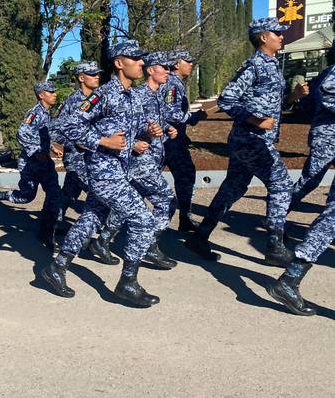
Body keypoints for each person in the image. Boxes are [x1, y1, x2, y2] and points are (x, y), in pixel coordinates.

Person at [41, 40, 164, 308]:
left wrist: (148, 131)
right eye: (135, 58)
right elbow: (65, 126)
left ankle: (56, 267)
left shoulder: (132, 96)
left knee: (91, 218)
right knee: (142, 219)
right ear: (119, 63)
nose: (142, 63)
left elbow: (132, 130)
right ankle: (127, 283)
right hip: (103, 172)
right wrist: (102, 141)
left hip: (120, 170)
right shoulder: (103, 94)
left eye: (142, 59)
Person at [185, 18, 309, 264]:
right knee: (282, 185)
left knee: (234, 187)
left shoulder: (272, 65)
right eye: (277, 33)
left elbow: (272, 104)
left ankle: (200, 236)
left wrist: (292, 97)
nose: (282, 37)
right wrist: (254, 120)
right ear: (263, 37)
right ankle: (274, 245)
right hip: (251, 139)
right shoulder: (253, 65)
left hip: (254, 139)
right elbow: (227, 99)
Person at [100, 51, 180, 270]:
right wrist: (133, 142)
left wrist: (165, 128)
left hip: (153, 156)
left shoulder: (155, 94)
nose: (168, 71)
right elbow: (117, 126)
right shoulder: (135, 94)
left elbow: (148, 123)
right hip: (138, 159)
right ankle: (149, 245)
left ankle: (104, 238)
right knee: (166, 199)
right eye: (164, 67)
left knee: (133, 200)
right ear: (151, 70)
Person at [266, 64, 334, 316]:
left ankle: (289, 278)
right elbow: (326, 92)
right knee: (309, 185)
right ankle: (279, 228)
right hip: (328, 138)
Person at [0, 80, 63, 250]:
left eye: (54, 92)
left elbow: (40, 135)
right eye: (51, 92)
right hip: (31, 163)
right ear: (41, 95)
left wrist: (51, 146)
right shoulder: (35, 112)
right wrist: (37, 152)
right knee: (26, 196)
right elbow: (22, 133)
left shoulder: (46, 112)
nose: (55, 95)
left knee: (55, 194)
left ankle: (47, 232)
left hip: (44, 163)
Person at [161, 49, 207, 231]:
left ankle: (185, 218)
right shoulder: (172, 84)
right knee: (147, 182)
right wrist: (194, 117)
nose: (191, 64)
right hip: (168, 141)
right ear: (176, 64)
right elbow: (170, 113)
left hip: (176, 141)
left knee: (186, 175)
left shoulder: (176, 83)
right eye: (187, 61)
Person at [51, 61, 100, 233]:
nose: (97, 77)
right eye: (92, 75)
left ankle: (54, 221)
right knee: (97, 191)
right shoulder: (72, 101)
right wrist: (75, 143)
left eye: (97, 74)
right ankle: (91, 227)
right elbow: (56, 129)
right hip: (77, 156)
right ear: (81, 78)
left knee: (70, 192)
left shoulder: (98, 98)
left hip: (96, 155)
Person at [288, 61, 335, 210]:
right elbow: (326, 94)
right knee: (310, 180)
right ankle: (276, 215)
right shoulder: (332, 72)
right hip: (327, 137)